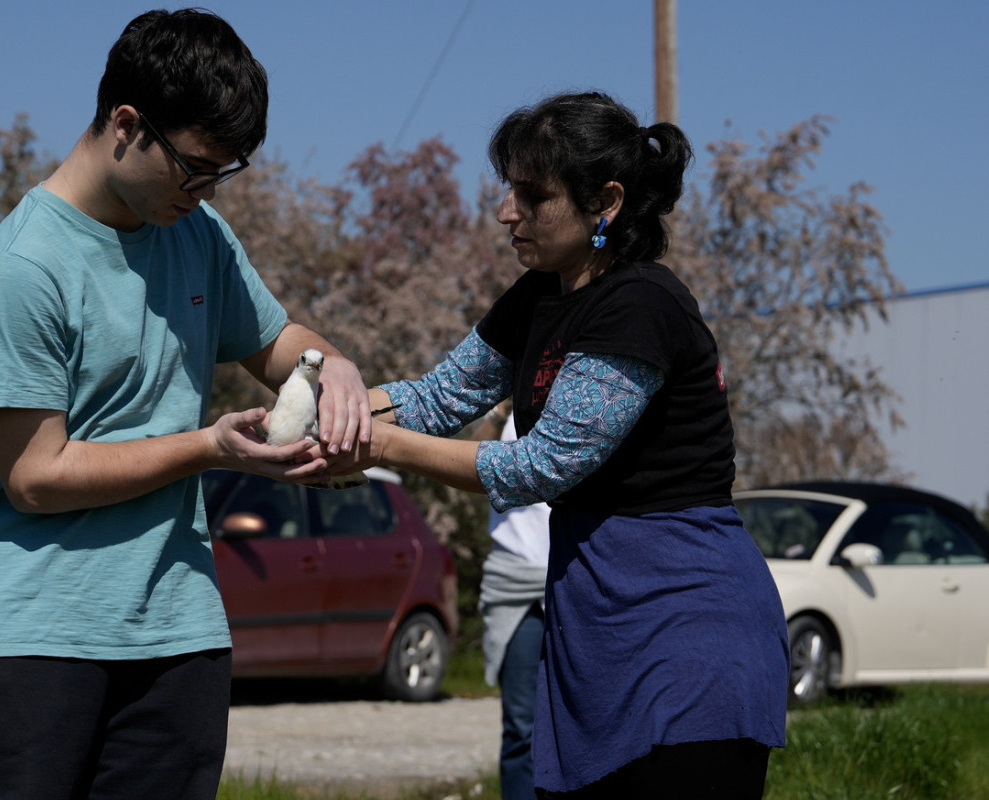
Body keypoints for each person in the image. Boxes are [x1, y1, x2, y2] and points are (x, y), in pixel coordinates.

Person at [0, 9, 371, 799]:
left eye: (222, 175)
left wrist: (333, 366)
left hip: (180, 631)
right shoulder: (19, 271)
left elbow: (277, 342)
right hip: (36, 636)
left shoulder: (197, 233)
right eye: (194, 169)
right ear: (126, 124)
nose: (203, 194)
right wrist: (208, 448)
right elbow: (35, 477)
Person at [330, 92, 790, 797]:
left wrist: (378, 448)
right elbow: (439, 398)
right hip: (598, 617)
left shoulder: (640, 303)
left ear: (606, 202)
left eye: (532, 195)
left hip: (688, 629)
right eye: (508, 189)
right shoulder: (539, 295)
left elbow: (541, 466)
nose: (505, 212)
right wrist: (330, 415)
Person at [477, 409, 551, 800]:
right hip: (517, 581)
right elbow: (468, 460)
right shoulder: (508, 417)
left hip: (576, 575)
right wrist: (499, 410)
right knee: (522, 725)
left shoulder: (589, 398)